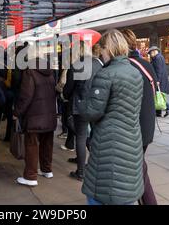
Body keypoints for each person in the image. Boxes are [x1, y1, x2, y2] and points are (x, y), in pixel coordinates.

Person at [79, 29, 144, 205]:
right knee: (125, 190)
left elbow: (93, 112)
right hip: (132, 140)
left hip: (108, 142)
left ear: (108, 48)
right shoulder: (135, 73)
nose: (101, 52)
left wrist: (81, 104)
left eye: (102, 49)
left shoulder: (106, 74)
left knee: (99, 191)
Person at [122, 29, 158, 205]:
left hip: (133, 128)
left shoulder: (125, 67)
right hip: (147, 126)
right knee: (137, 168)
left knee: (136, 170)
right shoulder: (145, 64)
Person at [13, 48, 57, 187]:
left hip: (34, 116)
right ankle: (47, 169)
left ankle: (31, 176)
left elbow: (26, 96)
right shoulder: (49, 71)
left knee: (31, 144)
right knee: (47, 143)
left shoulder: (30, 71)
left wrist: (17, 112)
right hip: (49, 114)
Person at [68, 43, 104, 181]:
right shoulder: (100, 65)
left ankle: (81, 171)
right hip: (97, 106)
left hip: (80, 106)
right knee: (95, 137)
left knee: (81, 138)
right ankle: (95, 166)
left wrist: (66, 96)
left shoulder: (78, 64)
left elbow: (69, 88)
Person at [148, 46, 169, 117]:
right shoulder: (157, 57)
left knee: (159, 95)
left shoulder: (158, 58)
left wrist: (158, 80)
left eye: (150, 53)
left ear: (154, 51)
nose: (150, 55)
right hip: (160, 80)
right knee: (157, 95)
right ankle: (158, 112)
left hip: (159, 80)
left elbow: (159, 70)